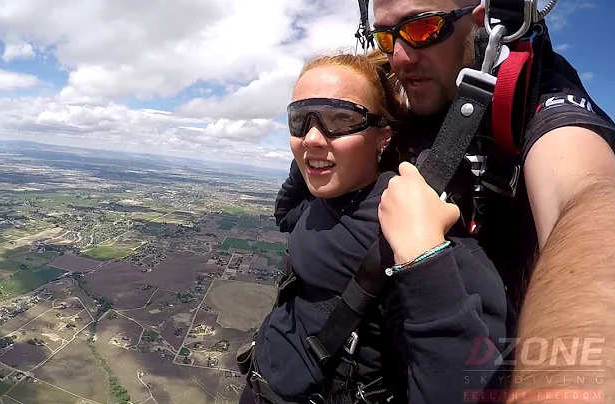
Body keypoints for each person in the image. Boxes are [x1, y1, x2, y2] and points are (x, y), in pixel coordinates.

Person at [276, 0, 615, 395]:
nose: (401, 56)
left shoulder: (534, 93)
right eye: (386, 36)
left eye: (422, 29)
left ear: (479, 22)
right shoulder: (395, 78)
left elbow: (589, 193)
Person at [240, 51, 515, 404]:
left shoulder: (405, 215)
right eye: (300, 120)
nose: (311, 137)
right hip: (261, 384)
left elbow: (475, 386)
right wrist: (318, 154)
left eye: (338, 119)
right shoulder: (321, 201)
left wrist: (423, 257)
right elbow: (285, 214)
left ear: (382, 136)